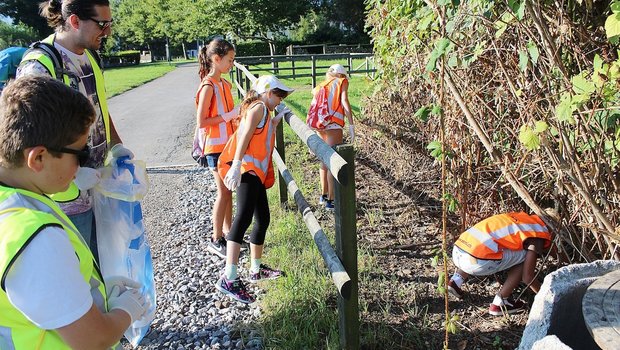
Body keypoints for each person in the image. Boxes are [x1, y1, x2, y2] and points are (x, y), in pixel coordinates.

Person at [0, 75, 148, 349]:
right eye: (80, 154)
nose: (83, 164)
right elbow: (93, 339)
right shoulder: (35, 238)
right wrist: (126, 311)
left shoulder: (13, 202)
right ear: (38, 158)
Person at [16, 0, 132, 259]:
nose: (108, 32)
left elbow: (98, 107)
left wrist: (116, 144)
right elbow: (27, 141)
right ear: (75, 21)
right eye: (102, 24)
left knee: (105, 267)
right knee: (80, 273)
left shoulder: (90, 54)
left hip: (98, 187)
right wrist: (75, 173)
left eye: (109, 23)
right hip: (64, 200)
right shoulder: (39, 66)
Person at [215, 75, 293, 303]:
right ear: (268, 92)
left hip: (255, 172)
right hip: (247, 170)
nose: (280, 100)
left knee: (263, 218)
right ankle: (229, 278)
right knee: (243, 218)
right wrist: (237, 164)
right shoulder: (258, 107)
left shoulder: (265, 112)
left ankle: (255, 270)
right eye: (279, 96)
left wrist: (277, 119)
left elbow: (262, 133)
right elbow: (245, 135)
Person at [447, 212, 552, 316]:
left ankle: (456, 281)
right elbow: (527, 277)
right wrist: (547, 297)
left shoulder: (520, 218)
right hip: (478, 262)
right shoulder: (538, 234)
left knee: (483, 245)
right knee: (526, 256)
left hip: (458, 251)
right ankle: (500, 303)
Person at [194, 38, 239, 259]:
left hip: (228, 146)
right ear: (216, 59)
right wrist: (228, 116)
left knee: (229, 191)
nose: (232, 64)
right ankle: (216, 239)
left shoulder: (224, 84)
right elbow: (201, 121)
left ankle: (229, 233)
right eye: (230, 60)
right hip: (215, 148)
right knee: (223, 192)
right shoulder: (208, 86)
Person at [308, 64, 354, 211]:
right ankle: (331, 201)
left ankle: (323, 195)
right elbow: (344, 101)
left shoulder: (321, 85)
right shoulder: (342, 82)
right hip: (333, 124)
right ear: (342, 75)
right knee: (333, 161)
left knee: (324, 160)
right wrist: (351, 125)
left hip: (320, 125)